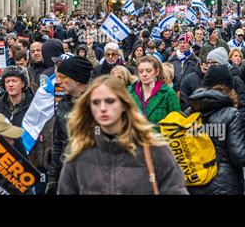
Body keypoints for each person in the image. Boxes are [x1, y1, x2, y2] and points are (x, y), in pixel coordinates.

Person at [57, 75, 188, 195]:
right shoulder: (79, 153)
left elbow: (175, 189)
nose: (102, 108)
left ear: (124, 104)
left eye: (110, 101)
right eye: (96, 102)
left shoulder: (154, 150)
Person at [186, 65, 245, 195]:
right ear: (230, 89)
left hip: (195, 181)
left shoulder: (189, 114)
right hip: (225, 183)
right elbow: (240, 157)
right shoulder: (231, 114)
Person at [46, 56, 94, 194]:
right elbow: (58, 144)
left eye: (62, 77)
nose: (58, 81)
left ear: (77, 79)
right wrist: (53, 180)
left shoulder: (99, 103)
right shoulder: (62, 104)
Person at [128, 56, 181, 125]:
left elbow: (177, 123)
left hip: (160, 135)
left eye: (148, 71)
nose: (144, 74)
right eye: (141, 71)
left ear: (157, 72)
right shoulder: (129, 92)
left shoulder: (168, 94)